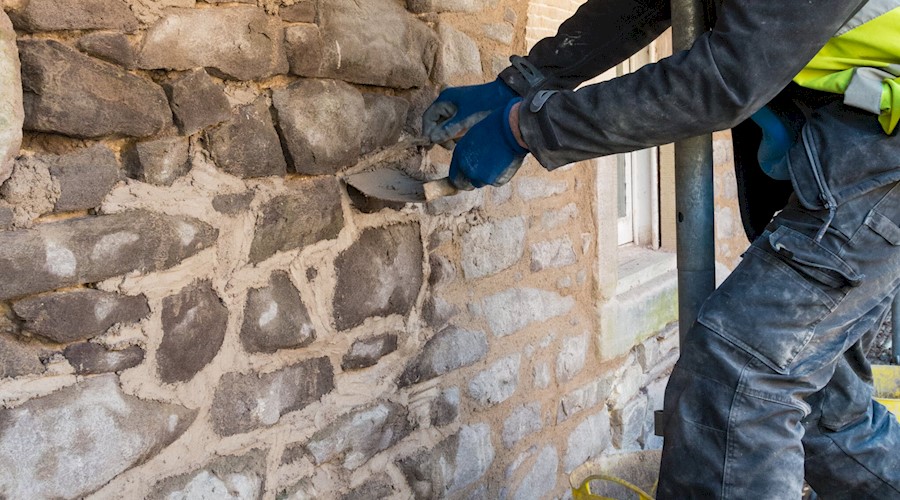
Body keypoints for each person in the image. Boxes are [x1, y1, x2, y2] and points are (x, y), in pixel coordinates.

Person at [422, 0, 900, 497]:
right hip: (856, 144)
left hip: (882, 148)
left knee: (736, 387)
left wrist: (523, 127)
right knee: (826, 411)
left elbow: (723, 79)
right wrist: (524, 81)